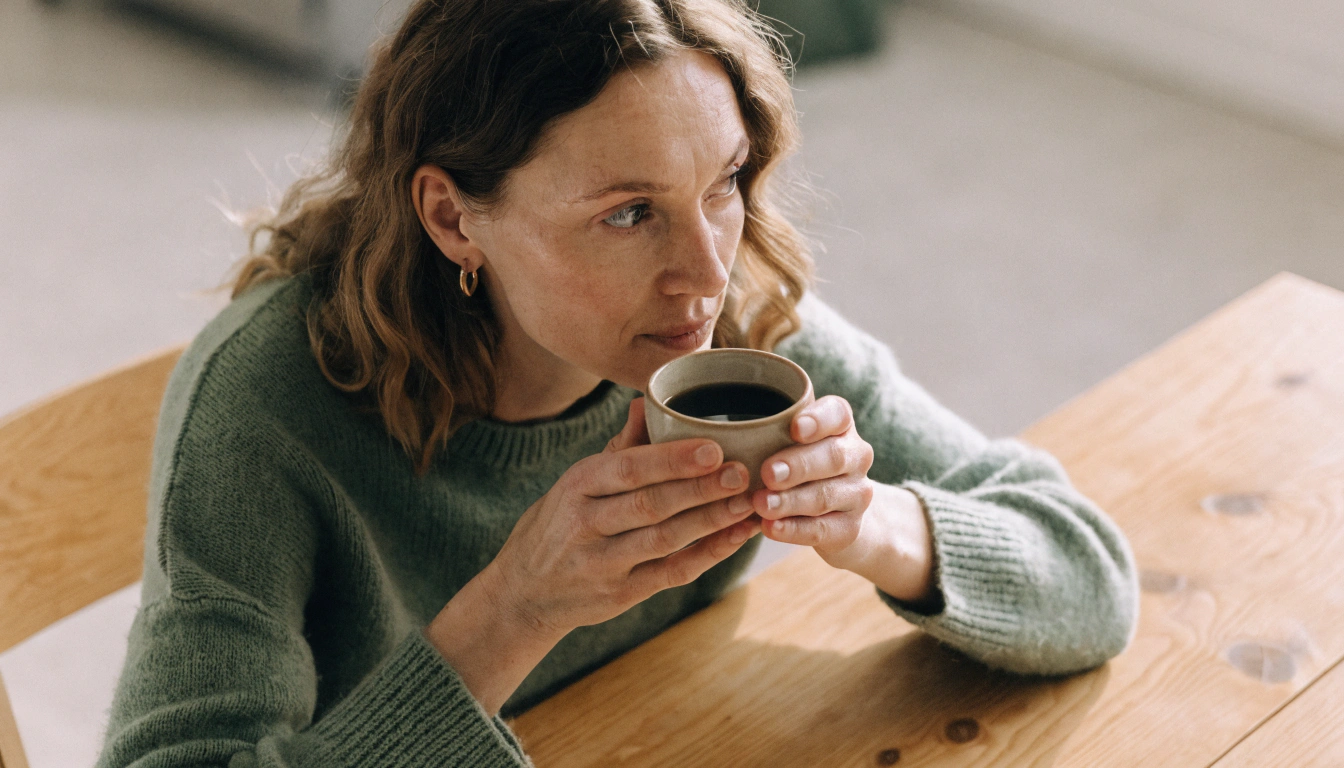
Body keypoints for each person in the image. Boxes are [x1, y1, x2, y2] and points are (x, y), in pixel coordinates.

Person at [95, 0, 1139, 765]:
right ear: (455, 217)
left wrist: (866, 522)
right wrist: (515, 609)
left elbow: (1091, 581)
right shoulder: (262, 407)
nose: (706, 270)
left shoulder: (740, 334)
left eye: (723, 183)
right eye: (627, 213)